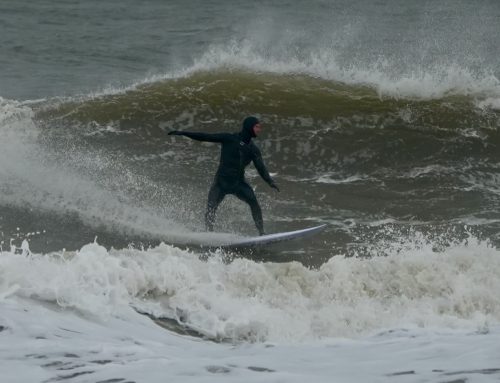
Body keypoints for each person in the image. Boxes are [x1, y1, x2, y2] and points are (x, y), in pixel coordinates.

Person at [168, 116, 279, 235]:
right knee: (211, 207)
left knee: (254, 203)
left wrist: (270, 182)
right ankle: (209, 234)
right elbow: (206, 137)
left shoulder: (253, 149)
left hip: (239, 183)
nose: (259, 130)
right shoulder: (229, 138)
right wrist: (184, 133)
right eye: (257, 126)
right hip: (221, 183)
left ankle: (262, 233)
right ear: (249, 127)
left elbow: (261, 168)